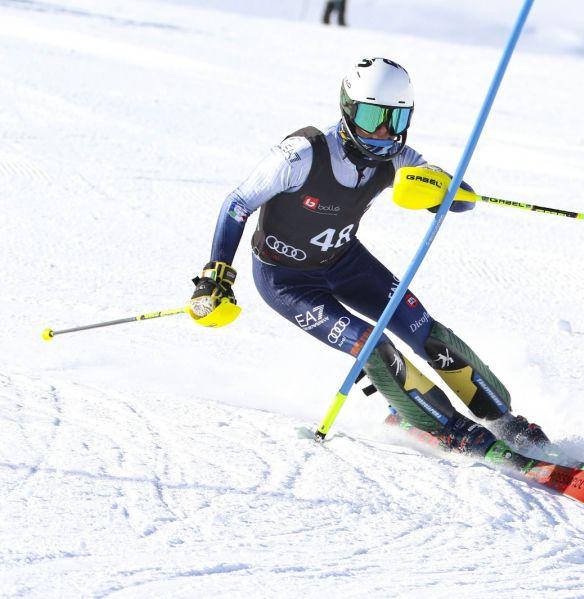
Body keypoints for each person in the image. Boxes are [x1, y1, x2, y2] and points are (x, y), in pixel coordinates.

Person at [188, 57, 548, 457]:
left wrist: (443, 193)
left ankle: (502, 417)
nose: (382, 131)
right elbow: (237, 204)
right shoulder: (300, 156)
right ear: (347, 109)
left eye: (394, 120)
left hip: (346, 263)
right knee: (372, 345)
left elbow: (457, 198)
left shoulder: (397, 157)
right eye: (372, 115)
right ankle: (449, 429)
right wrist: (216, 274)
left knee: (422, 329)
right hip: (286, 280)